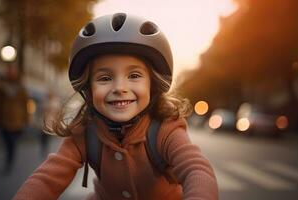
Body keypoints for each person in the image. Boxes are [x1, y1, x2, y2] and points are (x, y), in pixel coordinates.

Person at [14, 13, 218, 199]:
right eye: (105, 78)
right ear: (89, 89)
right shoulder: (86, 134)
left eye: (134, 76)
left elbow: (196, 170)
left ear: (153, 84)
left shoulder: (165, 130)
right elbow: (46, 179)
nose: (120, 88)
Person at [0, 65, 29, 173]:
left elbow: (25, 104)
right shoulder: (1, 87)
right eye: (9, 72)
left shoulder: (21, 88)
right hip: (4, 118)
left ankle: (9, 161)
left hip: (17, 120)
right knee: (7, 141)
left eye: (12, 72)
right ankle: (8, 159)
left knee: (12, 142)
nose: (10, 74)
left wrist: (26, 119)